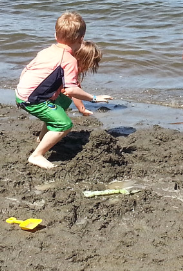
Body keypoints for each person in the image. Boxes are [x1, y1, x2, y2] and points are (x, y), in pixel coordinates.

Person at [15, 13, 112, 169]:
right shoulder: (69, 60)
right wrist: (93, 98)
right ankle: (36, 155)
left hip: (22, 92)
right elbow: (72, 89)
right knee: (64, 125)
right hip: (33, 100)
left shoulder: (47, 51)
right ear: (81, 39)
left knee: (64, 100)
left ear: (55, 35)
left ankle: (42, 138)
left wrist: (81, 107)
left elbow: (28, 69)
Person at [71, 41, 103, 116]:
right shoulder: (71, 68)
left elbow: (76, 90)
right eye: (89, 63)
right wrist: (93, 99)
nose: (90, 67)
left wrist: (82, 109)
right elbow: (74, 92)